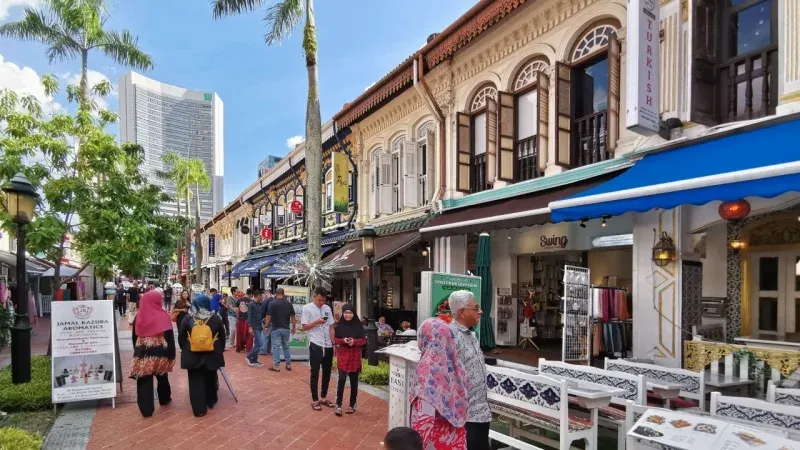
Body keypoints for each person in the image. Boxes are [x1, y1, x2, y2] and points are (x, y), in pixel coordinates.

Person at [410, 318, 468, 449]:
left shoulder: (426, 371)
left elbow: (424, 419)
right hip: (457, 440)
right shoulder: (458, 367)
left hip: (434, 442)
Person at [448, 290, 490, 450]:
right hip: (465, 415)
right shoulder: (451, 335)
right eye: (476, 308)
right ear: (462, 312)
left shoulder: (471, 334)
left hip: (480, 412)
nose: (480, 311)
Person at [177, 294, 225, 417]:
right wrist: (220, 350)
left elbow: (181, 336)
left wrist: (186, 348)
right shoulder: (215, 318)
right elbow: (222, 336)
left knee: (195, 381)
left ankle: (199, 409)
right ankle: (210, 401)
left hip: (192, 355)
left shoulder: (189, 318)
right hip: (212, 354)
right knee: (210, 377)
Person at [130, 290, 175, 417]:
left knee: (144, 378)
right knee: (162, 376)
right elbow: (169, 337)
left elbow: (134, 336)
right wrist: (171, 354)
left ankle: (146, 409)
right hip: (161, 351)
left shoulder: (139, 316)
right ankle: (164, 399)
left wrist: (137, 351)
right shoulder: (163, 315)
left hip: (143, 351)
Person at [301, 286, 335, 411]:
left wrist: (333, 343)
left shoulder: (327, 308)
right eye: (319, 300)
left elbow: (331, 327)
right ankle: (315, 399)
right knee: (315, 372)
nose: (321, 302)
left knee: (327, 373)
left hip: (328, 345)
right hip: (316, 343)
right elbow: (304, 327)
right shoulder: (307, 308)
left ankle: (323, 397)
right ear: (314, 296)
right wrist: (316, 322)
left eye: (323, 300)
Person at [332, 304, 366, 416]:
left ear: (353, 313)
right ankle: (338, 405)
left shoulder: (358, 325)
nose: (348, 315)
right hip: (343, 356)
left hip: (354, 357)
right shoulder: (339, 325)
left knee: (354, 382)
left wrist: (354, 342)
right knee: (341, 380)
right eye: (346, 312)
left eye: (350, 313)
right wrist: (343, 340)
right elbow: (336, 339)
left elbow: (364, 340)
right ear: (343, 313)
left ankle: (352, 405)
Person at [264, 287, 295, 372]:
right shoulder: (289, 304)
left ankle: (276, 366)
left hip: (276, 328)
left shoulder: (272, 303)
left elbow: (268, 316)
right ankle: (288, 364)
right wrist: (294, 327)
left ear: (276, 294)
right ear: (283, 294)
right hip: (286, 329)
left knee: (276, 347)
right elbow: (293, 317)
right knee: (286, 346)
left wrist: (266, 326)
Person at [246, 289, 265, 367]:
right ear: (258, 296)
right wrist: (250, 326)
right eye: (261, 296)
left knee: (257, 343)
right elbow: (249, 316)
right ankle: (249, 356)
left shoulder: (259, 304)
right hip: (255, 326)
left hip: (259, 326)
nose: (262, 297)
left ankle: (254, 359)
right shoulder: (251, 304)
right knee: (259, 343)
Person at [260, 289, 274, 355]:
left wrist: (264, 321)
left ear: (267, 293)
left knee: (265, 335)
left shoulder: (264, 302)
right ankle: (271, 351)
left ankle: (263, 350)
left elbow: (262, 313)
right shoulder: (274, 301)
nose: (264, 295)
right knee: (272, 336)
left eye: (265, 293)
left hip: (266, 320)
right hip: (273, 320)